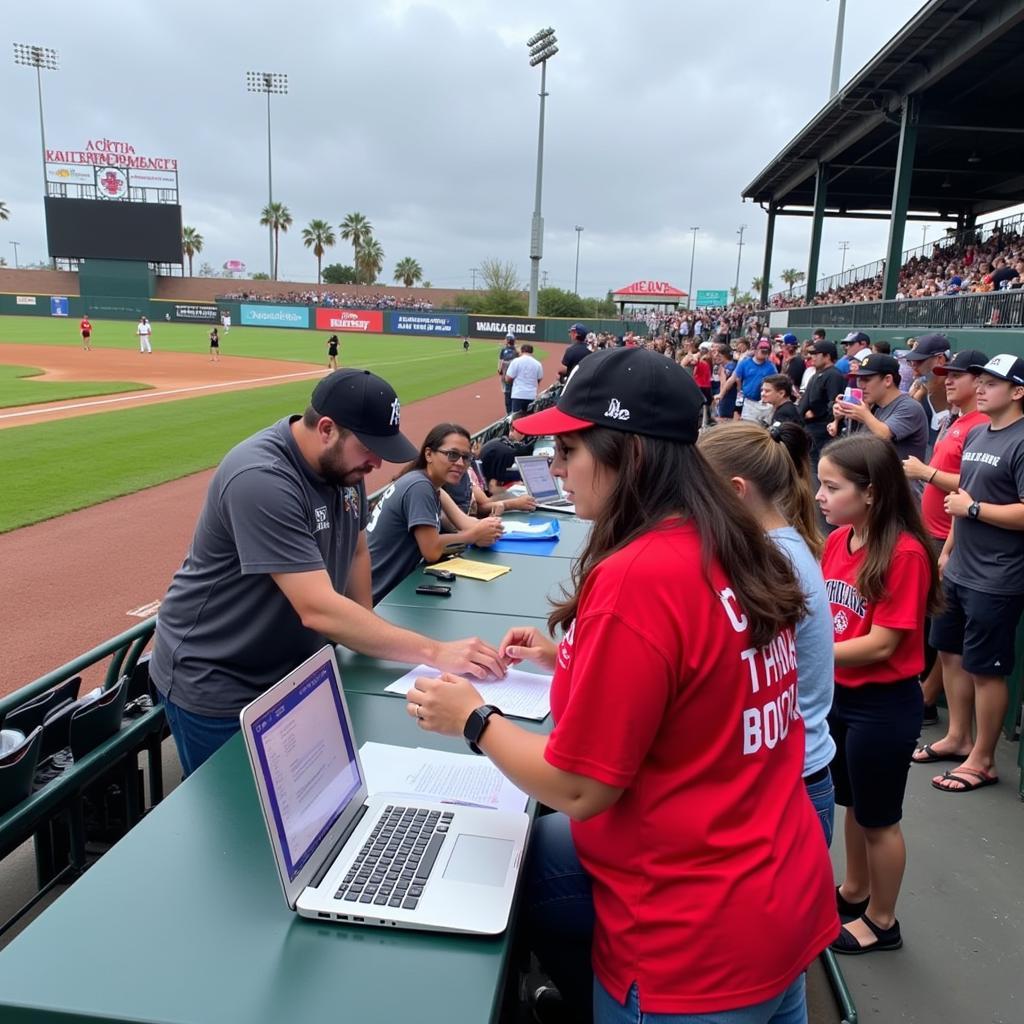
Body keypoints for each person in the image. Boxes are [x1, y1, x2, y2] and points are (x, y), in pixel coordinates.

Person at [406, 348, 838, 1022]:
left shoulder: (640, 575)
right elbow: (695, 686)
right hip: (777, 888)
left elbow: (580, 789)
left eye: (569, 451)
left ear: (628, 456)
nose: (553, 469)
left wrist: (474, 717)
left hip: (692, 941)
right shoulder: (738, 539)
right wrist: (571, 659)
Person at [149, 369, 506, 777]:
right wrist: (436, 652)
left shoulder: (343, 469)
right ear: (326, 429)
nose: (376, 462)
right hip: (218, 678)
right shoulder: (261, 477)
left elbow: (356, 550)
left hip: (291, 667)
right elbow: (317, 609)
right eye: (369, 447)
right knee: (238, 822)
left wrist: (367, 626)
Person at [816, 434, 941, 954]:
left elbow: (883, 643)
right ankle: (855, 889)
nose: (820, 495)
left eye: (831, 486)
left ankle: (882, 921)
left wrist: (809, 653)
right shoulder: (837, 540)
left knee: (879, 819)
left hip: (883, 706)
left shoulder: (905, 553)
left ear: (870, 493)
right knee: (852, 805)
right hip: (840, 698)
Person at [699, 421, 836, 846]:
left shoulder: (772, 559)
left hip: (786, 782)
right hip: (792, 774)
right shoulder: (779, 544)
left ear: (737, 490)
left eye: (701, 489)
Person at [925, 354, 1024, 793]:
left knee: (986, 669)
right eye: (980, 381)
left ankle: (983, 759)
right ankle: (958, 737)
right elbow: (964, 496)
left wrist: (975, 510)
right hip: (962, 564)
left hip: (998, 575)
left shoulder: (1022, 440)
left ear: (1017, 392)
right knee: (949, 652)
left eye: (992, 383)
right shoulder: (981, 430)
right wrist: (949, 548)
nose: (981, 388)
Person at [902, 349, 990, 731]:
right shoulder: (957, 420)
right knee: (937, 624)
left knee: (942, 625)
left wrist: (926, 472)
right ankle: (927, 694)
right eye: (946, 374)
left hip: (950, 536)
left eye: (957, 375)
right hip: (935, 530)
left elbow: (974, 485)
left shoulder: (980, 424)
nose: (948, 380)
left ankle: (927, 697)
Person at [366, 424, 503, 604]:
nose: (461, 463)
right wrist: (474, 535)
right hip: (380, 598)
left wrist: (489, 526)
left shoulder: (428, 484)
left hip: (385, 591)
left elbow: (466, 523)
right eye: (452, 455)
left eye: (466, 457)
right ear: (429, 454)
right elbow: (431, 550)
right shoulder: (419, 487)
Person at [830, 354, 928, 463]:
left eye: (866, 379)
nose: (861, 385)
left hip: (900, 479)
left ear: (887, 380)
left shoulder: (909, 406)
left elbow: (884, 435)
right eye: (859, 380)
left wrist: (864, 415)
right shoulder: (875, 406)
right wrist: (843, 416)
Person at [798, 339, 845, 471]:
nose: (811, 357)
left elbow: (834, 404)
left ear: (827, 356)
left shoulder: (833, 375)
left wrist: (817, 413)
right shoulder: (817, 374)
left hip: (822, 430)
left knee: (816, 467)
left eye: (815, 354)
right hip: (810, 427)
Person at [721, 338, 776, 424]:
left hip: (762, 403)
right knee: (738, 423)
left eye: (767, 351)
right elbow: (732, 379)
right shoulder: (745, 363)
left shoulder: (771, 367)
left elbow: (777, 384)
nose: (764, 353)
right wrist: (721, 395)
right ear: (755, 350)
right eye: (762, 350)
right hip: (745, 399)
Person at [478, 413, 534, 491]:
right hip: (491, 488)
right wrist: (523, 474)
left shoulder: (498, 441)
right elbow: (499, 477)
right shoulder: (507, 451)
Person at [505, 343, 544, 413]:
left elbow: (508, 378)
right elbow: (539, 378)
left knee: (516, 419)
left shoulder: (516, 361)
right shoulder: (537, 364)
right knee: (529, 419)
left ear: (521, 351)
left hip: (518, 394)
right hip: (531, 395)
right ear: (532, 352)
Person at [498, 334, 518, 415]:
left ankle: (510, 410)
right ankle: (510, 410)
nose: (505, 340)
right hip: (505, 372)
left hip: (510, 374)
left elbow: (501, 360)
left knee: (509, 391)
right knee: (506, 390)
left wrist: (500, 368)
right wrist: (499, 369)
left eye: (506, 339)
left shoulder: (515, 351)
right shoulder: (504, 350)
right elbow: (500, 360)